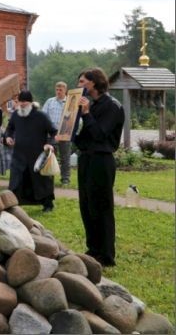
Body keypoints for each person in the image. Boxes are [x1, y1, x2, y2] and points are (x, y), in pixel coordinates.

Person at [72, 67, 124, 267]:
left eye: (82, 82)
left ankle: (106, 254)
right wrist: (68, 132)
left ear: (93, 83)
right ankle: (93, 249)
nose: (79, 85)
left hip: (102, 161)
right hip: (87, 159)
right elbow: (85, 137)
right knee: (87, 205)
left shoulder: (112, 106)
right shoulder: (92, 105)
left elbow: (100, 135)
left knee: (101, 206)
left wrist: (86, 114)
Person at [4, 90, 58, 212]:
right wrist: (8, 137)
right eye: (20, 101)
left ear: (31, 103)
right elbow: (9, 129)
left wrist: (50, 144)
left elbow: (54, 132)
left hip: (37, 155)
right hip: (19, 155)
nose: (22, 104)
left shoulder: (41, 116)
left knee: (41, 181)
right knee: (17, 180)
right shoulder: (16, 115)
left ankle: (47, 204)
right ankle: (14, 204)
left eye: (25, 102)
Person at [42, 81, 71, 185]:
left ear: (65, 90)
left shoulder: (70, 102)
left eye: (60, 90)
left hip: (64, 133)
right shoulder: (50, 101)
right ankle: (49, 178)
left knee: (65, 157)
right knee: (50, 156)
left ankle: (65, 179)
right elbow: (43, 116)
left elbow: (75, 117)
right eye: (57, 90)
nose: (58, 92)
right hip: (51, 134)